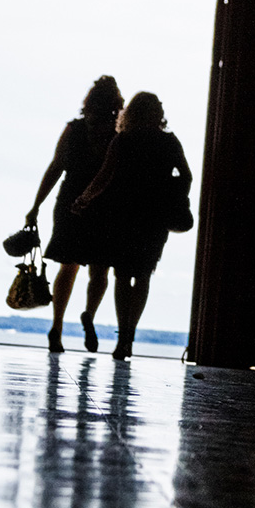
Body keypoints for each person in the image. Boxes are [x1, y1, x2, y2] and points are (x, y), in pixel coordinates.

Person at [72, 92, 192, 361]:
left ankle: (121, 338)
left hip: (123, 215)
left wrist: (83, 199)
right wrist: (174, 197)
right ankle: (130, 337)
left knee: (122, 276)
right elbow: (187, 175)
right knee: (144, 276)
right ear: (155, 113)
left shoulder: (123, 140)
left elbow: (104, 176)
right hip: (155, 216)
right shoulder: (169, 142)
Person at [26, 75, 124, 353]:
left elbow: (56, 167)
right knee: (100, 270)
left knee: (67, 267)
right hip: (106, 205)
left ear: (89, 101)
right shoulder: (118, 134)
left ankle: (56, 327)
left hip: (69, 201)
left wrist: (36, 205)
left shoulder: (74, 129)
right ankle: (89, 315)